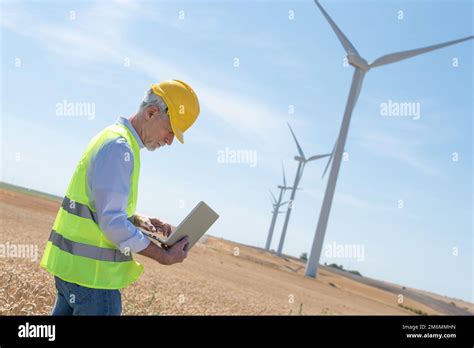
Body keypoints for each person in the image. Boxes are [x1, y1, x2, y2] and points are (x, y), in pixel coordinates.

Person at [40, 80, 200, 315]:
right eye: (171, 130)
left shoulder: (110, 137)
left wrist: (135, 219)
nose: (169, 140)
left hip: (71, 274)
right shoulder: (120, 148)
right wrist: (162, 255)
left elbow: (98, 207)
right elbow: (112, 223)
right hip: (95, 282)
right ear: (152, 112)